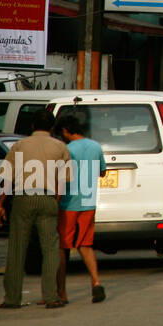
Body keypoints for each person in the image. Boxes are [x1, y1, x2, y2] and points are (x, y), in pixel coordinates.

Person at [0, 108, 71, 309]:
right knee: (50, 248)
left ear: (32, 126)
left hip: (23, 198)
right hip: (47, 198)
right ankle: (51, 296)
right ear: (52, 127)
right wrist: (54, 201)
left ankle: (12, 298)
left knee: (17, 248)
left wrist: (1, 203)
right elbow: (63, 182)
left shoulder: (20, 145)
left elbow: (7, 178)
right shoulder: (61, 147)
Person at [54, 112, 106, 305]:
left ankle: (62, 292)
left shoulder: (66, 149)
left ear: (66, 131)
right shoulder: (95, 146)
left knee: (63, 247)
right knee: (85, 244)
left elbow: (60, 176)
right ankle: (96, 282)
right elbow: (102, 171)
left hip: (68, 203)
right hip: (88, 202)